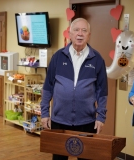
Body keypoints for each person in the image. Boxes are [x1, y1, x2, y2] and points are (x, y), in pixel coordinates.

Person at [40, 18, 108, 160]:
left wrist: (101, 117)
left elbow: (102, 91)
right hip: (59, 121)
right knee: (59, 158)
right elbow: (48, 87)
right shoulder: (58, 57)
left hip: (86, 122)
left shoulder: (97, 59)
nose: (80, 34)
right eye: (76, 30)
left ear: (89, 35)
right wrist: (45, 113)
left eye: (84, 30)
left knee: (86, 158)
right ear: (69, 34)